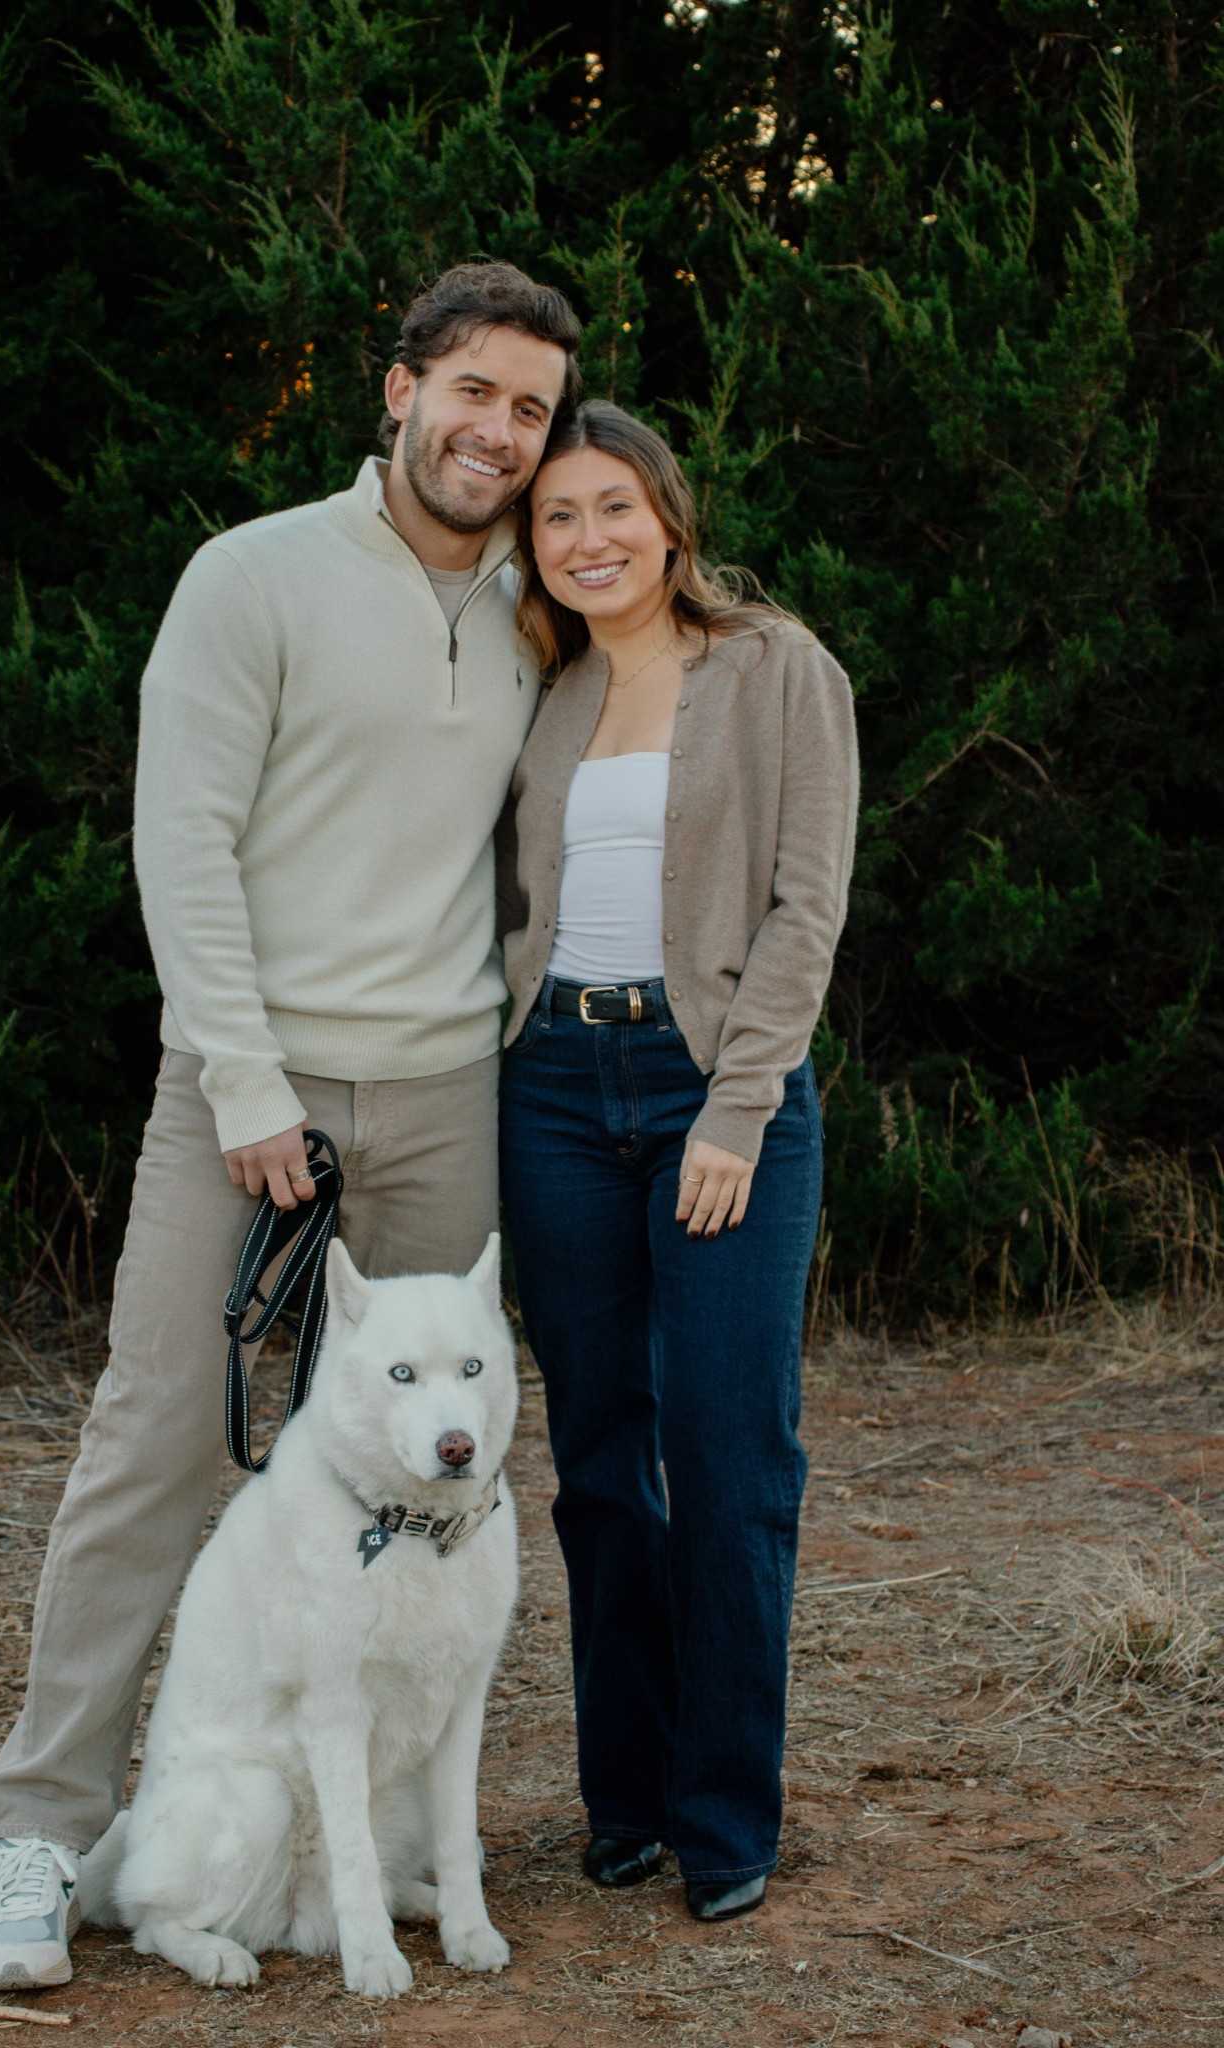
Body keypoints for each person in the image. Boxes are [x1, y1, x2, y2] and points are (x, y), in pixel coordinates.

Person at [0, 262, 582, 1991]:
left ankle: (360, 1845)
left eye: (529, 409)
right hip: (254, 1094)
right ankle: (40, 1835)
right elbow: (184, 840)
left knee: (437, 1471)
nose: (498, 431)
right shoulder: (253, 576)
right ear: (399, 390)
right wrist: (246, 1087)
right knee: (162, 1437)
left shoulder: (545, 605)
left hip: (451, 1092)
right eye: (473, 391)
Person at [497, 401, 858, 1923]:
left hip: (718, 1088)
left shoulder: (778, 666)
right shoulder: (543, 688)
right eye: (557, 516)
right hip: (554, 1093)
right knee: (597, 1463)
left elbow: (806, 905)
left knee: (727, 1456)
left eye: (612, 507)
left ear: (668, 515)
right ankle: (625, 1800)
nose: (588, 539)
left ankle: (727, 1816)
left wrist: (738, 1108)